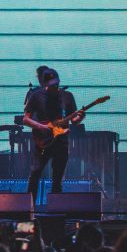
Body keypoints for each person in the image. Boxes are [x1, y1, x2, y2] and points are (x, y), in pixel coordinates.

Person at [22, 66, 79, 202]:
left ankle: (56, 212)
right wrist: (41, 126)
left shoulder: (67, 96)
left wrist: (80, 117)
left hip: (61, 141)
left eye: (57, 83)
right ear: (45, 84)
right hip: (43, 142)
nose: (55, 87)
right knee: (35, 174)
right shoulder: (37, 96)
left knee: (57, 179)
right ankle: (29, 210)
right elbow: (25, 119)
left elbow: (74, 120)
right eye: (52, 85)